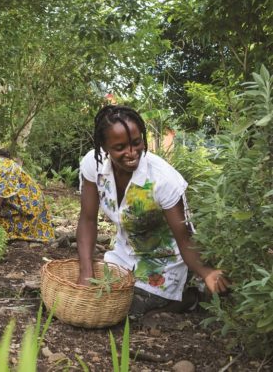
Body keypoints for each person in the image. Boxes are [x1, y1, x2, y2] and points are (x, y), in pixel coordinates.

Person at [76, 105, 230, 316]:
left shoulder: (162, 179)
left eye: (136, 143)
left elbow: (185, 239)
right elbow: (87, 220)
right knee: (93, 297)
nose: (131, 153)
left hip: (164, 264)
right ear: (104, 146)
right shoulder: (93, 166)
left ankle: (188, 297)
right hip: (123, 255)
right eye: (120, 147)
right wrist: (86, 273)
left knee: (121, 310)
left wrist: (207, 272)